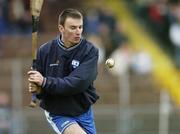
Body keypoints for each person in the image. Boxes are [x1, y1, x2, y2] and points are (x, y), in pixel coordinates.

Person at [27, 8, 99, 134]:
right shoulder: (45, 51)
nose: (78, 32)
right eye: (73, 28)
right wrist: (37, 88)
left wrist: (44, 82)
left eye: (80, 27)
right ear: (61, 28)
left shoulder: (90, 51)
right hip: (58, 113)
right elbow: (41, 90)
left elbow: (77, 83)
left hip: (83, 112)